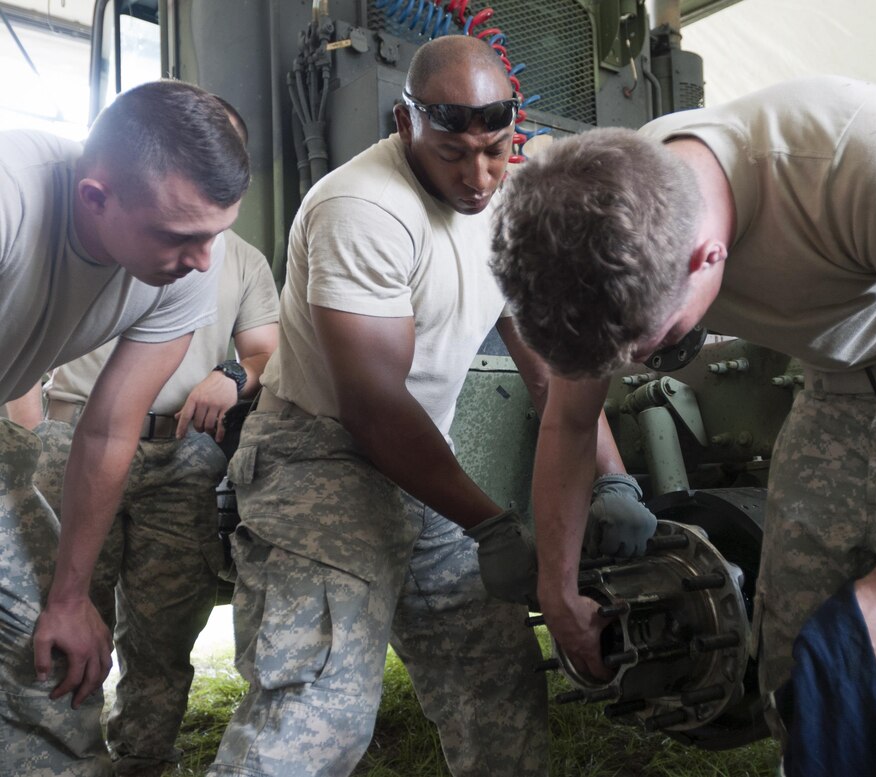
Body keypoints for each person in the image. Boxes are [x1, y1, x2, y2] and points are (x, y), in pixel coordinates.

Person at [489, 75, 876, 777]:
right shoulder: (603, 223)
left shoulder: (857, 160)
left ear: (709, 257)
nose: (630, 365)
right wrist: (558, 592)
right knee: (801, 673)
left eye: (648, 346)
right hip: (830, 399)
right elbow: (568, 421)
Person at [208, 34, 654, 777]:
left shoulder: (508, 200)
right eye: (454, 152)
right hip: (321, 460)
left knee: (498, 686)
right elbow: (375, 407)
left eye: (496, 148)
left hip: (428, 462)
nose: (479, 176)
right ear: (404, 121)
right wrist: (489, 522)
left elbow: (550, 365)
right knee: (317, 719)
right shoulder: (361, 206)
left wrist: (611, 476)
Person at [0, 80, 249, 776]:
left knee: (42, 635)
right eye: (181, 237)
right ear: (94, 198)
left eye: (215, 233)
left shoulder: (194, 251)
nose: (203, 260)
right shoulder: (10, 201)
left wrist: (72, 598)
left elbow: (111, 429)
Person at [16, 221, 278, 776]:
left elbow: (266, 355)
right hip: (74, 448)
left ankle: (142, 759)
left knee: (166, 629)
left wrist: (232, 374)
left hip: (181, 455)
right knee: (61, 614)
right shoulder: (98, 239)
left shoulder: (243, 260)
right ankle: (62, 762)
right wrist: (37, 436)